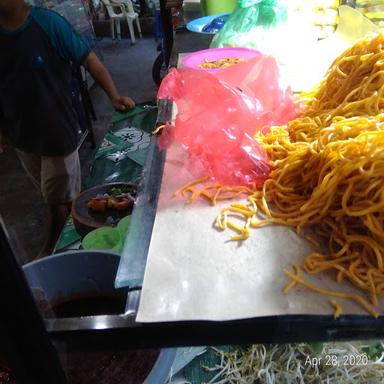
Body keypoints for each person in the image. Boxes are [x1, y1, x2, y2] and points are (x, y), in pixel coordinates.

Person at [0, 0, 135, 257]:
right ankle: (79, 233)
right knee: (53, 195)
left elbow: (90, 61)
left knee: (55, 201)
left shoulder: (48, 24)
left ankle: (52, 251)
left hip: (56, 134)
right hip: (21, 136)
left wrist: (114, 96)